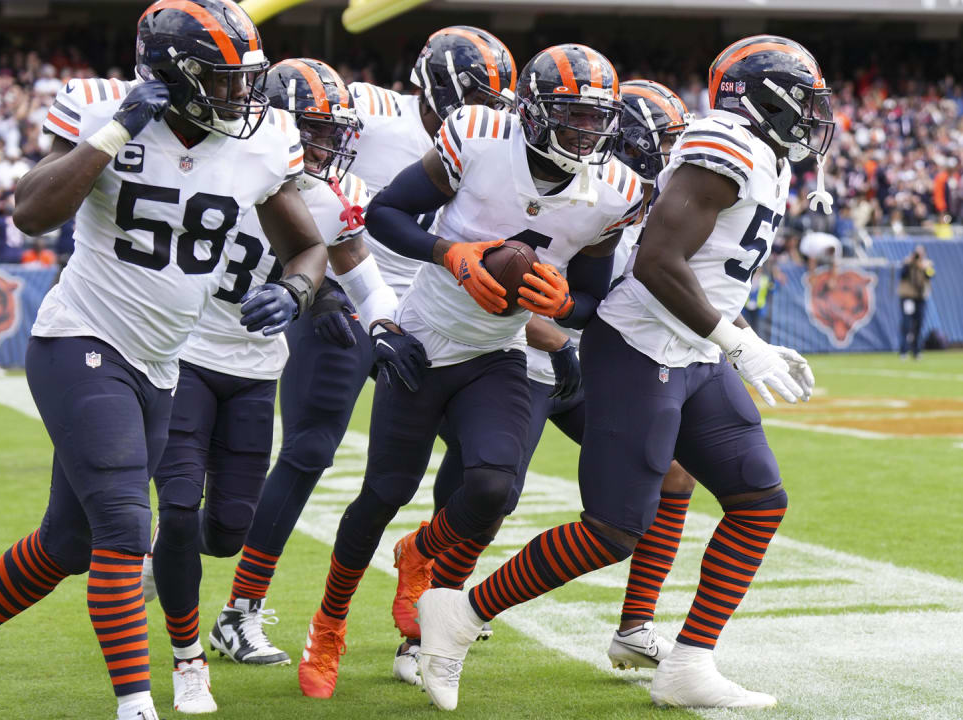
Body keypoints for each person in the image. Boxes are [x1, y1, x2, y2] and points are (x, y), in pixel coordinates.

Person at [0, 3, 328, 719]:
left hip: (161, 365)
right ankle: (136, 708)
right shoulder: (102, 111)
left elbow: (307, 248)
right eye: (222, 81)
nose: (241, 98)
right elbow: (30, 212)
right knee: (128, 527)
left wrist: (296, 290)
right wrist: (118, 127)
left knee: (67, 542)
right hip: (81, 339)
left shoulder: (262, 142)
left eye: (244, 80)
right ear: (175, 77)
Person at [414, 34, 822, 712]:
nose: (814, 115)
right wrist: (739, 346)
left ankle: (689, 664)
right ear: (766, 99)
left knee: (758, 498)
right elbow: (660, 260)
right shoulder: (727, 142)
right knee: (611, 529)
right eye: (804, 100)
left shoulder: (766, 157)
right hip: (639, 348)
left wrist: (743, 337)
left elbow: (710, 274)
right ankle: (458, 614)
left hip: (691, 350)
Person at [298, 44, 640, 702]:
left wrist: (567, 307)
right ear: (535, 114)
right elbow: (385, 215)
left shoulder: (613, 191)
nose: (587, 134)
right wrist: (450, 253)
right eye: (572, 117)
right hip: (423, 339)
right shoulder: (480, 137)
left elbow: (591, 297)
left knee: (490, 485)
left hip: (500, 353)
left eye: (597, 120)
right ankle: (329, 622)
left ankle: (421, 551)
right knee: (383, 492)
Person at [209, 27, 515, 676]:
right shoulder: (374, 112)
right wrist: (317, 297)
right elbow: (297, 120)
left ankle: (431, 611)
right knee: (312, 448)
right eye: (465, 99)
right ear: (428, 89)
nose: (474, 115)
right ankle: (242, 608)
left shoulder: (500, 138)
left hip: (444, 317)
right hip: (350, 298)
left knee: (472, 465)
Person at [138, 56, 417, 714]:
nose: (326, 146)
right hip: (184, 355)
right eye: (313, 131)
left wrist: (383, 326)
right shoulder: (218, 165)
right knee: (182, 505)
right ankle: (190, 654)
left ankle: (171, 556)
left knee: (226, 528)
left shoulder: (324, 194)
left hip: (253, 367)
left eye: (332, 132)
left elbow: (357, 269)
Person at [400, 79, 699, 684]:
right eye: (664, 143)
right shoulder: (584, 184)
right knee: (491, 497)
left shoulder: (641, 201)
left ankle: (634, 628)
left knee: (673, 472)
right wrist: (554, 327)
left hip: (596, 362)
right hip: (531, 356)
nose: (676, 158)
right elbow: (521, 279)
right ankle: (430, 625)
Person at [898, 244, 935, 359]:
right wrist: (909, 263)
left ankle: (916, 350)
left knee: (918, 324)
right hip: (908, 297)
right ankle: (904, 350)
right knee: (906, 323)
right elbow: (902, 275)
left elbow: (931, 276)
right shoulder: (908, 264)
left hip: (920, 297)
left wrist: (925, 267)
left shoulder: (926, 265)